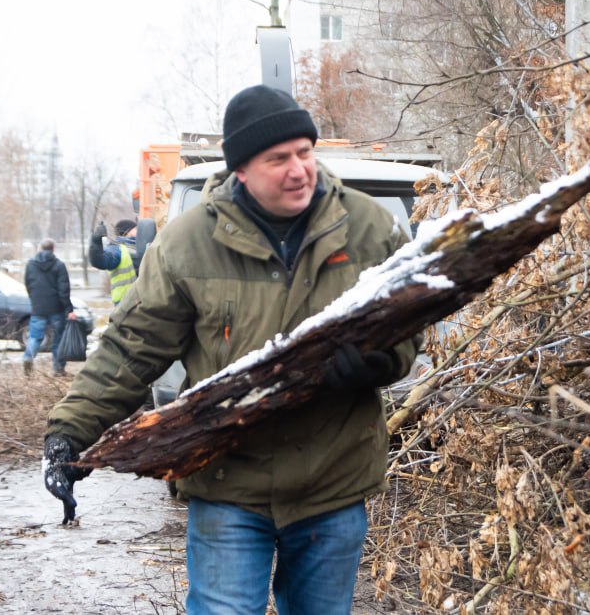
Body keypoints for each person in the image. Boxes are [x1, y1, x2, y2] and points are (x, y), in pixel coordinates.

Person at [43, 84, 419, 615]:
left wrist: (381, 363)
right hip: (226, 481)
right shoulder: (187, 243)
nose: (298, 170)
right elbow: (133, 347)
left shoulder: (370, 228)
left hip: (330, 483)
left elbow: (408, 327)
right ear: (241, 169)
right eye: (277, 159)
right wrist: (70, 433)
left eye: (305, 153)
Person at [23, 239, 77, 376]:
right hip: (56, 308)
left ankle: (28, 357)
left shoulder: (30, 264)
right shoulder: (59, 265)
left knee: (34, 337)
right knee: (58, 338)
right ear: (54, 248)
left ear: (40, 248)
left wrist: (34, 301)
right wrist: (69, 309)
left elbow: (28, 284)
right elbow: (64, 289)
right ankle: (58, 369)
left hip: (38, 308)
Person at [88, 218, 138, 306]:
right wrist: (96, 241)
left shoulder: (141, 246)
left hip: (139, 303)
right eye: (136, 228)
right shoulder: (117, 249)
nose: (139, 230)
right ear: (127, 231)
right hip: (125, 306)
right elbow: (99, 261)